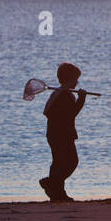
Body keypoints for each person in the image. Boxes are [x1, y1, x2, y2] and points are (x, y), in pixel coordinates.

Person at [39, 62, 88, 203]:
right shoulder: (64, 96)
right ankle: (52, 183)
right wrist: (81, 99)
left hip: (54, 134)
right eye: (75, 79)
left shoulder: (59, 93)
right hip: (62, 134)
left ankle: (57, 193)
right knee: (71, 162)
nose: (77, 82)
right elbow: (71, 114)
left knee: (59, 163)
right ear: (69, 79)